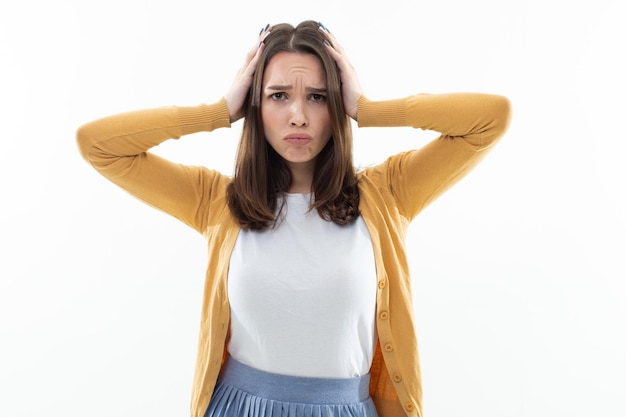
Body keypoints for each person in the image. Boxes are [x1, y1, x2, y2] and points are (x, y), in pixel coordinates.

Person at [77, 20, 511, 417]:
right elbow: (98, 144)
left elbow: (490, 119)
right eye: (278, 95)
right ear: (255, 103)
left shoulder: (388, 194)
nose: (298, 115)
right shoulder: (217, 201)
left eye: (318, 97)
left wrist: (368, 109)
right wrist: (219, 112)